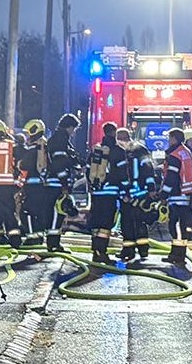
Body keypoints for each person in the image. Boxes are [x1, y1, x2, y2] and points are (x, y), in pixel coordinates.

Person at [85, 123, 129, 264]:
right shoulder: (118, 151)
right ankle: (102, 252)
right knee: (106, 224)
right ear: (114, 133)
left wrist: (92, 187)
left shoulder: (96, 150)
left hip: (96, 192)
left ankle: (95, 252)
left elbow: (88, 169)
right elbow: (123, 173)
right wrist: (125, 191)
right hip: (110, 193)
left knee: (96, 222)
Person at [41, 113, 81, 252]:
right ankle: (53, 244)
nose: (74, 132)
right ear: (69, 127)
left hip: (57, 183)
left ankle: (54, 243)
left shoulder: (61, 140)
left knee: (59, 214)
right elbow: (59, 164)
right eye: (74, 129)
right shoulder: (59, 141)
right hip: (56, 183)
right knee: (55, 214)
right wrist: (64, 184)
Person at [114, 128, 155, 262]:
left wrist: (150, 188)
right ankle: (141, 250)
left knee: (129, 223)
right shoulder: (140, 149)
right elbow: (149, 168)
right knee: (136, 222)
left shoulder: (126, 152)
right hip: (138, 192)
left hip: (133, 194)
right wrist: (150, 188)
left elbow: (146, 169)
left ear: (121, 139)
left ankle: (130, 251)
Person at [162, 127, 192, 266]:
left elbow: (171, 177)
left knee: (174, 226)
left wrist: (163, 194)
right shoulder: (186, 152)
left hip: (177, 194)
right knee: (182, 226)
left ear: (174, 139)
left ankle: (176, 254)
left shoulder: (174, 155)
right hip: (186, 193)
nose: (168, 141)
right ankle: (179, 254)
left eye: (169, 138)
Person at [16, 119, 49, 235]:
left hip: (31, 184)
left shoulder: (32, 148)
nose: (28, 136)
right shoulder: (44, 146)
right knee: (39, 211)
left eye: (29, 132)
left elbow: (25, 165)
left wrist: (19, 164)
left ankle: (32, 235)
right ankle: (38, 234)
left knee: (26, 211)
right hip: (42, 185)